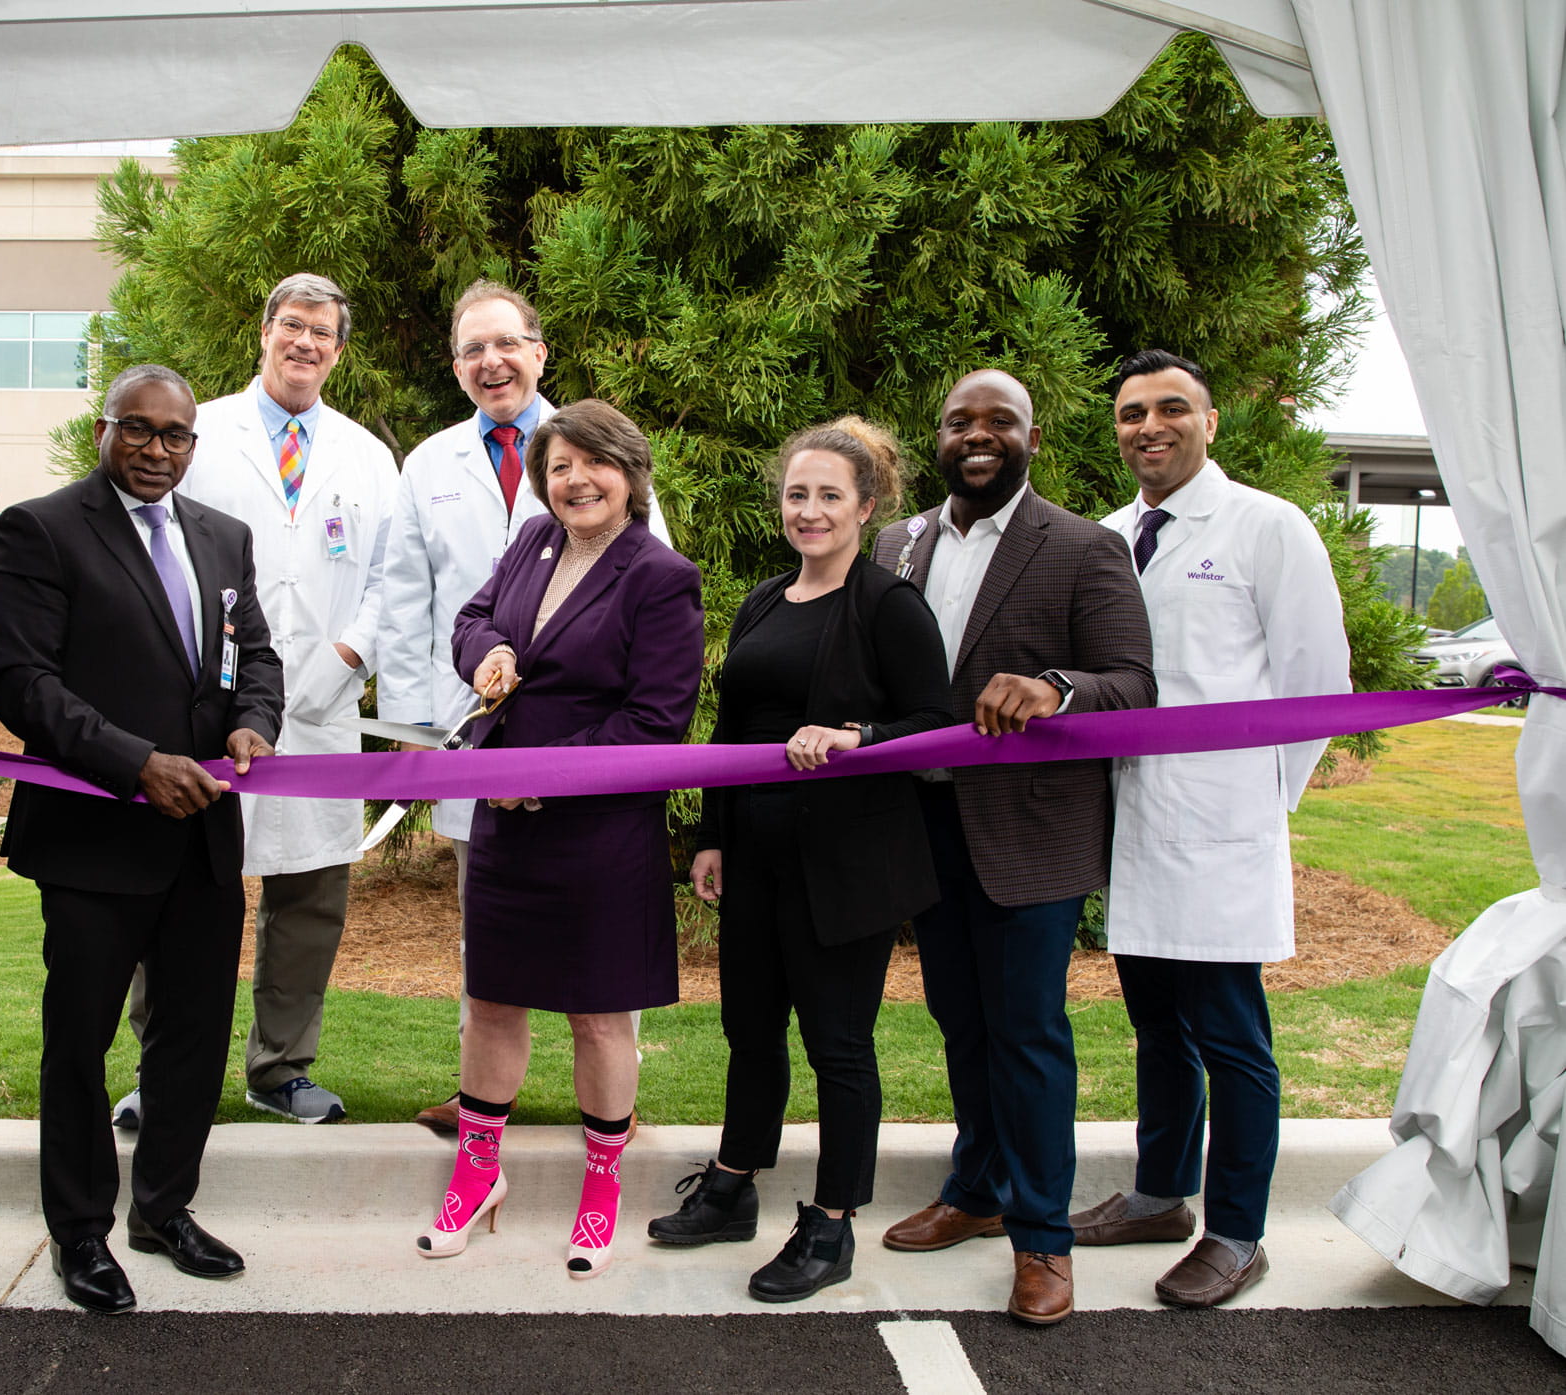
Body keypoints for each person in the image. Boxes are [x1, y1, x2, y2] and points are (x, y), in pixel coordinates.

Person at [0, 364, 283, 1315]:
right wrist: (136, 761)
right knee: (79, 1043)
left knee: (190, 1040)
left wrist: (255, 722)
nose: (158, 450)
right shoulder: (41, 528)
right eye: (139, 430)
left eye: (176, 436)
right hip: (93, 838)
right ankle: (80, 1232)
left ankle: (164, 1208)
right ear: (103, 431)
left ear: (196, 443)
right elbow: (22, 683)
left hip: (202, 841)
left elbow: (255, 659)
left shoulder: (223, 536)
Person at [869, 368, 1155, 1326]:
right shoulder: (895, 542)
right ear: (939, 436)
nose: (977, 435)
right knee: (962, 1021)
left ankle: (1043, 1240)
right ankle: (978, 1188)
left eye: (999, 421)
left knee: (1028, 1035)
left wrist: (1057, 686)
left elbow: (1135, 684)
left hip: (1030, 832)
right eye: (960, 422)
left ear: (1031, 436)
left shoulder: (1082, 545)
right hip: (924, 825)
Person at [647, 418, 954, 1302]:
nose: (809, 510)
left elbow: (938, 723)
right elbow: (734, 730)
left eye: (829, 495)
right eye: (796, 493)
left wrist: (856, 734)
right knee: (750, 1032)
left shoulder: (890, 606)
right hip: (754, 860)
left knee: (838, 1045)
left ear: (867, 506)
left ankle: (831, 1222)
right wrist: (711, 835)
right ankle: (735, 1183)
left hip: (843, 869)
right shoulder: (764, 600)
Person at [1072, 350, 1349, 1305]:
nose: (1148, 426)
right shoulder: (1108, 537)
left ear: (1211, 421)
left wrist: (1260, 804)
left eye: (1170, 409)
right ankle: (1158, 1193)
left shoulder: (1267, 527)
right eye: (1131, 413)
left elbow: (1319, 682)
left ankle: (1237, 1229)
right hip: (1136, 822)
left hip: (1224, 823)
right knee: (1156, 1024)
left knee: (1232, 1035)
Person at [376, 279, 672, 1134]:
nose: (490, 360)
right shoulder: (429, 463)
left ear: (540, 352)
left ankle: (613, 1091)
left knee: (601, 942)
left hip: (589, 754)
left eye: (505, 343)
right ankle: (482, 1091)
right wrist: (411, 731)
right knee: (487, 931)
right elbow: (410, 600)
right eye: (472, 348)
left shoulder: (602, 451)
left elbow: (651, 594)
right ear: (457, 366)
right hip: (475, 737)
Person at [418, 399, 703, 1279]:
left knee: (598, 1012)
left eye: (592, 464)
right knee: (493, 1002)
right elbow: (469, 617)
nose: (574, 480)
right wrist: (489, 652)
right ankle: (476, 1174)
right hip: (508, 826)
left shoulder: (661, 576)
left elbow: (657, 722)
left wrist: (544, 768)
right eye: (559, 465)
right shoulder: (534, 541)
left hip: (598, 833)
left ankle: (603, 1186)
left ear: (630, 472)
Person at [177, 271, 396, 1126]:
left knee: (308, 896)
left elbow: (390, 578)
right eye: (292, 326)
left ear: (338, 351)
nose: (306, 344)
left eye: (323, 334)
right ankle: (170, 1068)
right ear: (263, 330)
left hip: (322, 703)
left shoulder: (366, 456)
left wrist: (350, 652)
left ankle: (280, 1069)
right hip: (210, 700)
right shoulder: (203, 432)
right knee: (191, 888)